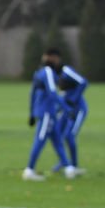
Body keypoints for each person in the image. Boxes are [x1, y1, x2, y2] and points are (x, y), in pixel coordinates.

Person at [20, 48, 76, 182]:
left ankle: (68, 168)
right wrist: (66, 108)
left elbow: (32, 94)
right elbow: (52, 93)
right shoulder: (48, 72)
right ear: (54, 58)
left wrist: (32, 113)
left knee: (57, 142)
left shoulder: (38, 72)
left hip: (47, 113)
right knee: (40, 140)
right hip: (46, 113)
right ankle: (29, 170)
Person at [56, 60, 89, 175]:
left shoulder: (67, 71)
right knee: (58, 134)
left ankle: (74, 166)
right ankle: (65, 162)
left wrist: (73, 99)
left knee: (69, 136)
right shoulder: (53, 76)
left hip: (78, 109)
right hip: (67, 110)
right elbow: (61, 96)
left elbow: (84, 82)